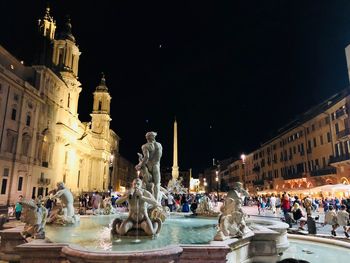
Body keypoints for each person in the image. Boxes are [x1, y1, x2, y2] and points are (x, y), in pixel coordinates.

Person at [135, 131, 163, 203]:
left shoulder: (145, 146)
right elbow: (159, 157)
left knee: (147, 184)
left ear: (147, 138)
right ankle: (156, 202)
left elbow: (147, 157)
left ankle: (148, 201)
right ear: (154, 137)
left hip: (149, 166)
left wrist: (140, 164)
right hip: (156, 166)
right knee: (157, 184)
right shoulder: (159, 145)